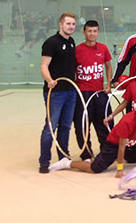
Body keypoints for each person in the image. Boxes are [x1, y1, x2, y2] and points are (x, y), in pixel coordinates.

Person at [39, 12, 78, 173]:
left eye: (73, 24)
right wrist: (49, 80)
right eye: (68, 24)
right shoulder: (51, 43)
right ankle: (44, 162)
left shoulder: (72, 42)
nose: (71, 27)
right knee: (51, 126)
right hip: (55, 93)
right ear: (60, 25)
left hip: (70, 91)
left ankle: (63, 157)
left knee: (66, 126)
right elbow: (44, 66)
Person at [73, 20, 113, 162]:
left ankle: (106, 153)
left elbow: (108, 66)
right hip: (83, 94)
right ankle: (86, 154)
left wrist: (108, 84)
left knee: (105, 123)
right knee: (82, 125)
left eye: (95, 31)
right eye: (89, 31)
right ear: (84, 32)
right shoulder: (77, 50)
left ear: (98, 32)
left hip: (100, 93)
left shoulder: (103, 48)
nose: (92, 34)